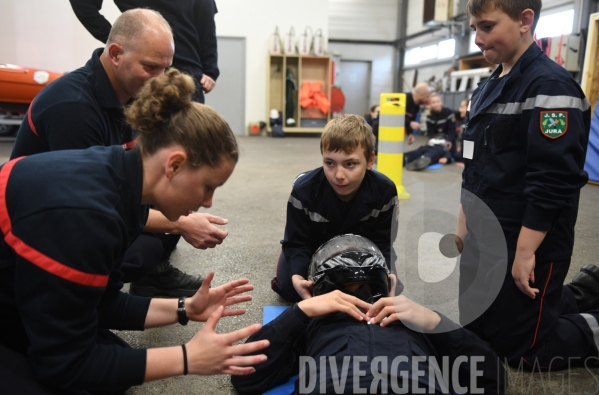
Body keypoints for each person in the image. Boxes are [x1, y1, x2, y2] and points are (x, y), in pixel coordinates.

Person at [0, 68, 269, 394]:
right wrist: (188, 358)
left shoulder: (123, 182)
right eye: (208, 187)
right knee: (86, 374)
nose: (209, 202)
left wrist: (186, 308)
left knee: (117, 370)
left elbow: (102, 303)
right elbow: (64, 366)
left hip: (18, 286)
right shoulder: (85, 218)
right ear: (174, 165)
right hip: (15, 290)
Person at [11, 9, 225, 298]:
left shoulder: (132, 93)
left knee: (173, 208)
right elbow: (89, 203)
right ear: (115, 54)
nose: (159, 79)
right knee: (147, 249)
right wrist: (181, 223)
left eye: (165, 68)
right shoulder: (74, 110)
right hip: (43, 223)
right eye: (150, 67)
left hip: (85, 202)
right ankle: (80, 293)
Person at [456, 0, 598, 370]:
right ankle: (586, 290)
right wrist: (463, 218)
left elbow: (553, 179)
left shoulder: (549, 85)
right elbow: (472, 162)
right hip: (487, 233)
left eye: (486, 27)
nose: (478, 39)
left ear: (524, 21)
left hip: (529, 239)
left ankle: (591, 325)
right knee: (476, 331)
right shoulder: (488, 86)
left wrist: (524, 253)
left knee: (525, 352)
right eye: (474, 28)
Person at [233, 235, 506, 394]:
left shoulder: (410, 317)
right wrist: (301, 312)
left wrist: (434, 322)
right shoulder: (314, 320)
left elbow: (492, 379)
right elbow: (244, 374)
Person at [270, 115, 398, 303]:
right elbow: (297, 243)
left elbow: (383, 242)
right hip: (312, 247)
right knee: (291, 290)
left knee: (383, 290)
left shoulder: (385, 191)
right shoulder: (302, 191)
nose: (338, 175)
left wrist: (388, 273)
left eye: (350, 164)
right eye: (330, 163)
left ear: (370, 160)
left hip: (362, 250)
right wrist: (297, 274)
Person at [69, 0, 219, 104]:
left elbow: (206, 23)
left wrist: (210, 69)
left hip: (187, 73)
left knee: (188, 141)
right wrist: (120, 39)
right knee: (141, 143)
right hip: (142, 75)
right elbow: (83, 5)